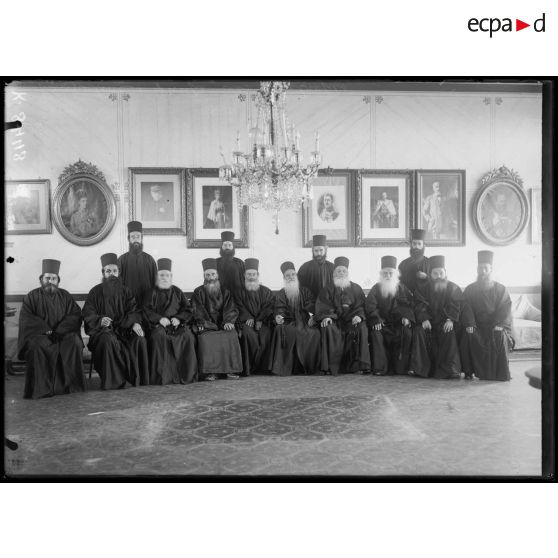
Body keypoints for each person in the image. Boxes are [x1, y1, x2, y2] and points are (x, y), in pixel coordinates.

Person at [17, 259, 86, 399]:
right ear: (41, 279)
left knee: (74, 342)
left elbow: (75, 315)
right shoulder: (32, 296)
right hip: (41, 335)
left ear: (58, 280)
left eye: (53, 278)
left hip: (62, 334)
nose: (50, 281)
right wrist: (46, 330)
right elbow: (26, 317)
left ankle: (71, 386)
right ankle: (41, 389)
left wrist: (60, 330)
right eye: (47, 278)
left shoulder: (65, 295)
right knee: (37, 345)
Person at [82, 253, 149, 389]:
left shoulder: (126, 291)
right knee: (108, 339)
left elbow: (134, 311)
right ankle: (114, 382)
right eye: (108, 271)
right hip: (102, 333)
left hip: (124, 331)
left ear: (118, 272)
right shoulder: (94, 292)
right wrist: (100, 320)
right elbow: (88, 313)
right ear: (103, 273)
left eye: (114, 271)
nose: (111, 274)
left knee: (140, 338)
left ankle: (137, 379)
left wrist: (135, 323)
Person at [460, 251, 514, 381]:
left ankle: (500, 373)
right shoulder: (470, 289)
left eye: (485, 268)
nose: (482, 271)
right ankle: (469, 371)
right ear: (477, 270)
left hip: (495, 326)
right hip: (477, 325)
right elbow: (466, 308)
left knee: (499, 336)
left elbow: (505, 309)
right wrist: (470, 324)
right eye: (480, 268)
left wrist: (500, 325)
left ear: (491, 269)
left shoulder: (501, 289)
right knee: (469, 334)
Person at [143, 258, 198, 385]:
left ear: (171, 276)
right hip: (158, 326)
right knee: (159, 337)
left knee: (188, 336)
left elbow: (188, 309)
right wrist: (159, 319)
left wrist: (178, 318)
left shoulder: (177, 291)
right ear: (157, 276)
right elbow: (145, 310)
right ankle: (164, 377)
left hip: (176, 325)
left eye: (167, 275)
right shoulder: (151, 292)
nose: (164, 277)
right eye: (161, 275)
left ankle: (186, 375)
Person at [315, 256, 370, 375]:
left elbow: (361, 305)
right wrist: (327, 316)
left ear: (348, 273)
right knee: (326, 326)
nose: (341, 273)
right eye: (338, 271)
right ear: (334, 273)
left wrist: (359, 316)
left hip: (351, 321)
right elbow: (323, 304)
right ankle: (329, 366)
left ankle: (360, 365)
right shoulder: (328, 288)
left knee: (362, 326)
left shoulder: (356, 288)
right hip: (335, 321)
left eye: (344, 271)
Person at [410, 255, 463, 379]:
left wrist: (450, 319)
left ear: (445, 273)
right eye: (435, 273)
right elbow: (419, 303)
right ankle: (420, 369)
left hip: (444, 322)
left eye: (441, 273)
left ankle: (451, 370)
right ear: (430, 274)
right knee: (418, 331)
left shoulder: (453, 287)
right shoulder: (423, 288)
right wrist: (424, 318)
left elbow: (456, 304)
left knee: (449, 332)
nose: (438, 276)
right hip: (428, 322)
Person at [191, 258, 242, 381]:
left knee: (231, 334)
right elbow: (197, 311)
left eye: (213, 274)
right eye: (208, 275)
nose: (211, 277)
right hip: (207, 325)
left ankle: (230, 370)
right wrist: (207, 324)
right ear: (204, 276)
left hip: (223, 324)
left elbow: (231, 308)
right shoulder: (198, 292)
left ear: (217, 275)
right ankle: (211, 372)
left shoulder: (226, 292)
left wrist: (229, 321)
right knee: (207, 337)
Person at [270, 261, 321, 376]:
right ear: (284, 278)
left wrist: (313, 316)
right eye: (287, 275)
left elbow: (313, 305)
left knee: (315, 333)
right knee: (291, 331)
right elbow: (279, 308)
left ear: (296, 275)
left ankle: (310, 367)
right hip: (289, 321)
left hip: (304, 320)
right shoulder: (281, 293)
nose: (291, 277)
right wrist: (278, 316)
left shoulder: (305, 291)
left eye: (293, 274)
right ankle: (291, 368)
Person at [366, 256, 414, 376]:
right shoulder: (376, 288)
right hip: (382, 324)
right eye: (385, 273)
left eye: (390, 273)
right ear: (381, 275)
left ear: (395, 275)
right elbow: (371, 306)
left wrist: (406, 317)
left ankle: (401, 368)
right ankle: (380, 368)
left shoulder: (402, 288)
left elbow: (410, 304)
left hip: (398, 324)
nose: (388, 276)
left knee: (407, 332)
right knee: (376, 333)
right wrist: (376, 320)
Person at [234, 258, 274, 375]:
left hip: (263, 322)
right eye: (249, 274)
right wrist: (248, 318)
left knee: (266, 334)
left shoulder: (266, 291)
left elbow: (269, 306)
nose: (251, 276)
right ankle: (249, 367)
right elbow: (238, 307)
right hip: (246, 323)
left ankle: (264, 368)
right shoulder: (238, 292)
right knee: (247, 334)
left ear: (258, 275)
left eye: (253, 274)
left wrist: (260, 319)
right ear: (244, 275)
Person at [117, 221, 158, 304]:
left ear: (141, 238)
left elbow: (155, 283)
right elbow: (117, 285)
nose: (135, 239)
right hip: (127, 305)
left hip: (147, 305)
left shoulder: (150, 259)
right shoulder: (121, 260)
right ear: (129, 239)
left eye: (138, 236)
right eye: (133, 237)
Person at [298, 234, 335, 299]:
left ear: (325, 250)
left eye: (321, 250)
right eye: (316, 250)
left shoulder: (332, 267)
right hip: (309, 304)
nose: (319, 253)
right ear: (312, 250)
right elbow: (300, 289)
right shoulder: (305, 267)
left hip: (328, 305)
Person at [398, 229, 430, 294]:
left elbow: (437, 281)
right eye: (414, 244)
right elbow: (399, 282)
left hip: (426, 299)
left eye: (419, 244)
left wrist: (426, 277)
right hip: (407, 299)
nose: (416, 247)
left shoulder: (430, 263)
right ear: (411, 245)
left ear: (423, 245)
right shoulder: (403, 264)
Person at [216, 230, 245, 297]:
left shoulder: (239, 262)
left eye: (229, 245)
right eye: (225, 245)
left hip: (237, 296)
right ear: (221, 247)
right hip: (219, 296)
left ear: (233, 247)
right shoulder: (215, 262)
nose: (227, 247)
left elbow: (244, 282)